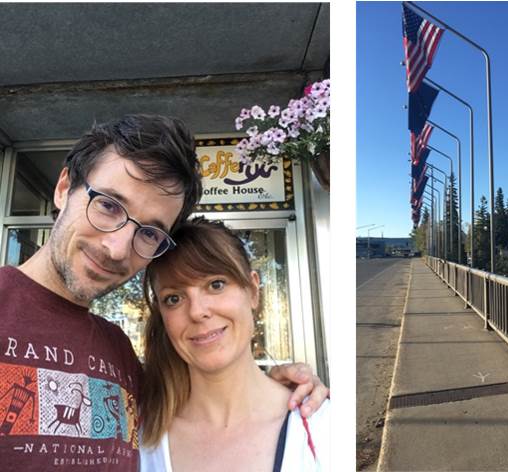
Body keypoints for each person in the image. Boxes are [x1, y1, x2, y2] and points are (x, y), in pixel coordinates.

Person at [0, 115, 326, 470]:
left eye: (149, 233)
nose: (117, 247)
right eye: (108, 205)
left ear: (253, 291)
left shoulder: (120, 357)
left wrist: (281, 385)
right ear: (64, 188)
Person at [139, 218, 330, 471]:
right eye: (173, 298)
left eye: (216, 285)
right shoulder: (136, 438)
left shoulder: (325, 428)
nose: (197, 311)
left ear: (252, 290)